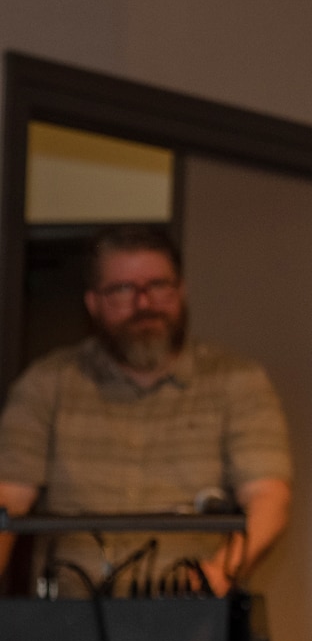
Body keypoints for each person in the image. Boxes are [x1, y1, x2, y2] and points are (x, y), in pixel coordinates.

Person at [0, 225, 293, 597]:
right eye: (123, 289)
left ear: (181, 291)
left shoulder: (238, 381)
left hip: (189, 616)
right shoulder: (46, 383)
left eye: (158, 286)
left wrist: (217, 573)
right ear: (93, 302)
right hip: (68, 618)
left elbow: (269, 498)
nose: (144, 303)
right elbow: (7, 498)